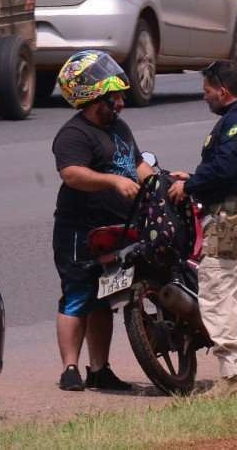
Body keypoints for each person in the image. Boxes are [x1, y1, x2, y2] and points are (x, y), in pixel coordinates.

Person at [168, 60, 237, 397]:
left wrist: (190, 186)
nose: (205, 97)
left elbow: (227, 168)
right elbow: (225, 167)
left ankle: (231, 379)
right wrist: (195, 179)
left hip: (230, 218)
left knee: (217, 294)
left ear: (223, 90)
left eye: (207, 91)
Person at [52, 50, 154, 392]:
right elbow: (72, 174)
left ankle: (100, 368)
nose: (121, 103)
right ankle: (70, 368)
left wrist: (160, 183)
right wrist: (112, 181)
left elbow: (137, 166)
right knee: (77, 295)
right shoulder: (73, 135)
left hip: (117, 231)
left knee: (104, 299)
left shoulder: (120, 128)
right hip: (80, 230)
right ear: (95, 99)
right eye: (115, 98)